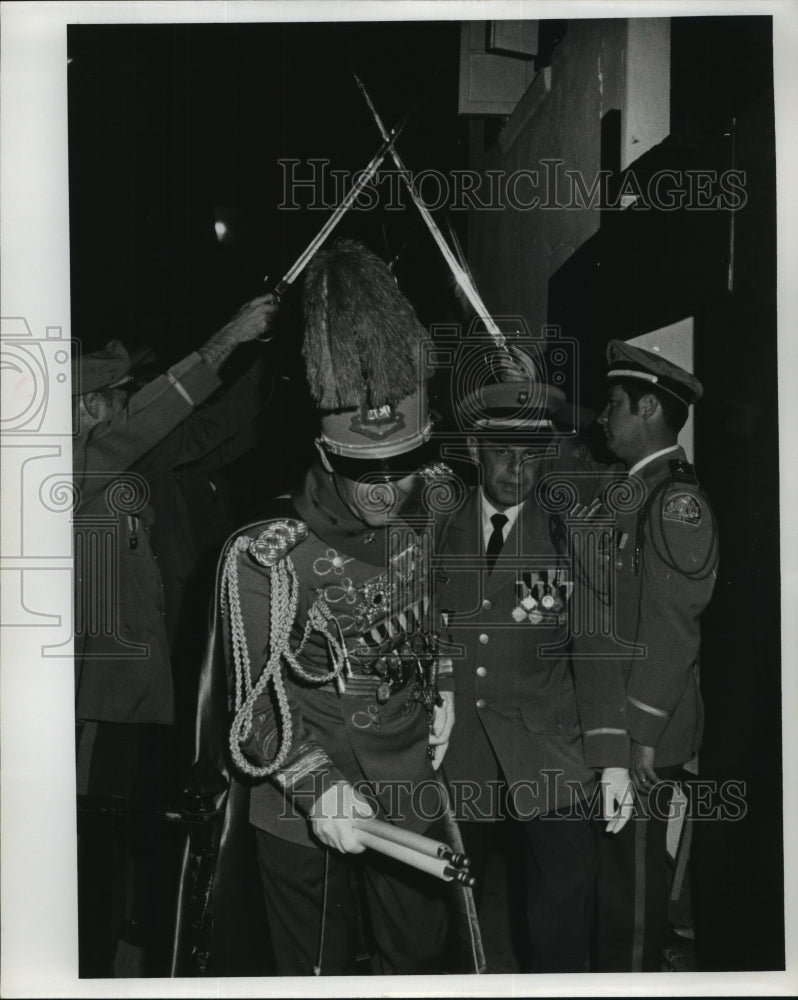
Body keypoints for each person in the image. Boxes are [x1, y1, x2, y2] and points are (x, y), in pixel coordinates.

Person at [216, 240, 455, 976]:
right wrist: (319, 790)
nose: (389, 493)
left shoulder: (431, 504)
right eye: (366, 474)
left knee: (420, 960)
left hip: (408, 776)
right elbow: (251, 710)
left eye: (404, 469)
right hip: (300, 801)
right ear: (326, 453)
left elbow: (434, 604)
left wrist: (443, 683)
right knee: (314, 975)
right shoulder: (265, 555)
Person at [72, 292, 279, 976]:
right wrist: (229, 335)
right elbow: (157, 414)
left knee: (132, 838)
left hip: (141, 693)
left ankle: (121, 951)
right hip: (95, 704)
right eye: (116, 394)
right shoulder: (72, 467)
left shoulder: (118, 463)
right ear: (85, 407)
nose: (128, 404)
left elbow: (207, 427)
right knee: (89, 848)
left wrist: (270, 361)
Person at [435, 354, 633, 973]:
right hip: (457, 750)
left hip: (550, 749)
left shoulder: (570, 530)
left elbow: (595, 648)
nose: (518, 468)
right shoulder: (434, 527)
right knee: (448, 920)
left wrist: (612, 760)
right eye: (502, 452)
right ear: (474, 447)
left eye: (532, 452)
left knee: (562, 917)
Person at [573, 339, 718, 971]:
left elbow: (672, 629)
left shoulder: (675, 502)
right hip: (620, 726)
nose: (603, 418)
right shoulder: (628, 491)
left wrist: (640, 736)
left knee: (632, 901)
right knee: (615, 886)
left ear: (650, 409)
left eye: (614, 405)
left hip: (646, 735)